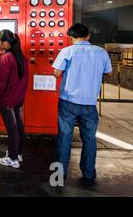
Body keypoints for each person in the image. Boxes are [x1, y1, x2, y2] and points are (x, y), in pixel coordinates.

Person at [52, 23, 112, 185]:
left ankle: (58, 176)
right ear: (88, 36)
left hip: (68, 102)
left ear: (71, 37)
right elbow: (108, 72)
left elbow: (56, 73)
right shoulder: (101, 52)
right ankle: (89, 173)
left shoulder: (67, 51)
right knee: (89, 139)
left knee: (64, 138)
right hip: (89, 103)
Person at [0, 29, 29, 169]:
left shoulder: (6, 58)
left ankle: (12, 159)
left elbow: (1, 82)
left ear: (6, 43)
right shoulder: (21, 57)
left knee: (12, 130)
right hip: (18, 99)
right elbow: (24, 81)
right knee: (18, 127)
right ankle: (17, 153)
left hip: (8, 101)